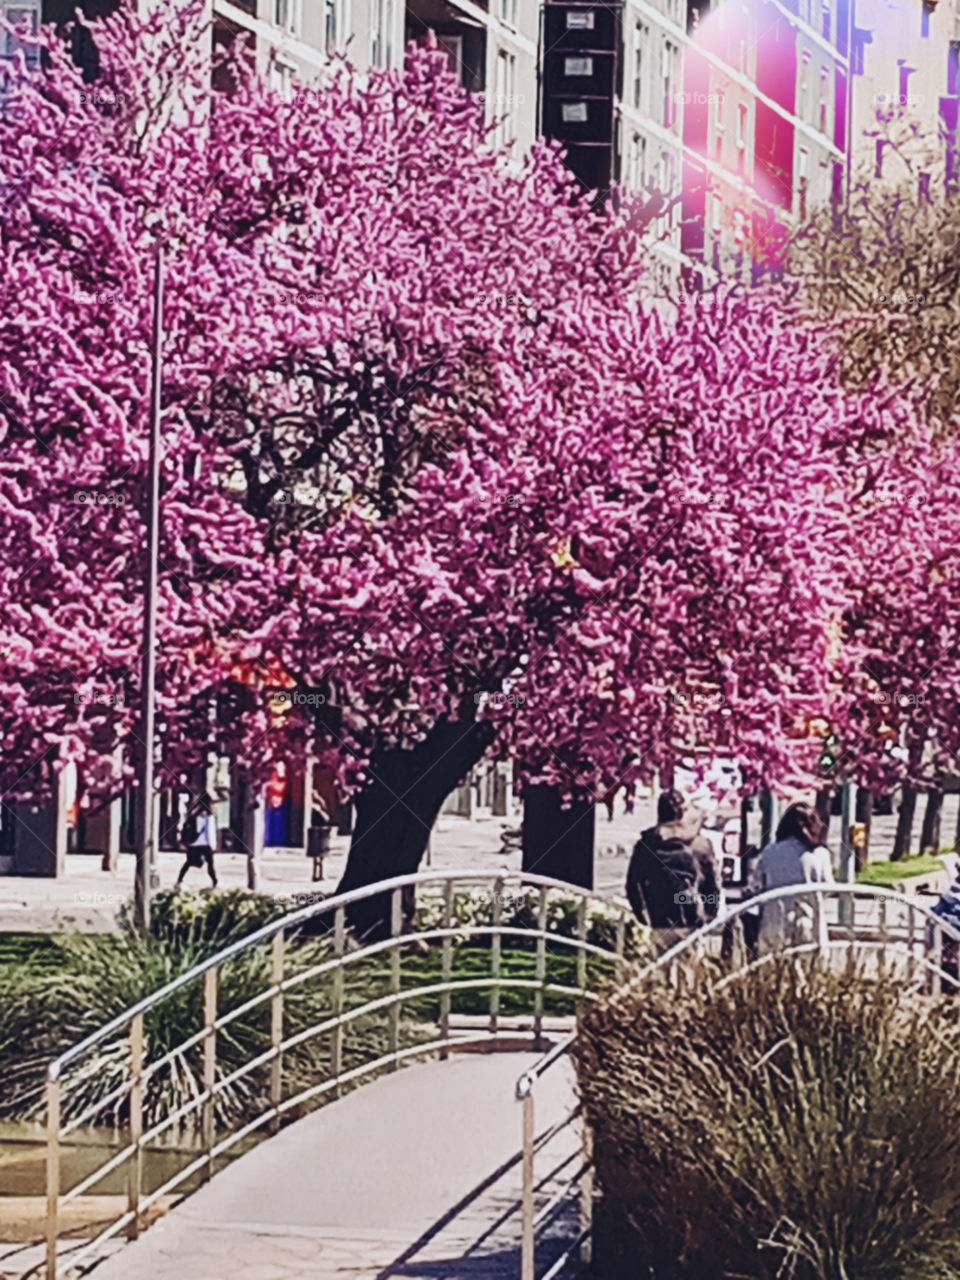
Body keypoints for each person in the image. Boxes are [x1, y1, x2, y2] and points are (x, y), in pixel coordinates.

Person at [626, 789, 722, 935]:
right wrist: (709, 915)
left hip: (658, 921)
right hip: (692, 922)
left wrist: (643, 917)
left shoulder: (646, 844)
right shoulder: (700, 844)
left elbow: (633, 884)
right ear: (682, 812)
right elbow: (712, 885)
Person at [756, 801, 833, 955]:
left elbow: (759, 884)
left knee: (774, 972)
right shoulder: (819, 855)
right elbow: (828, 887)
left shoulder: (769, 852)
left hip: (774, 921)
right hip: (808, 921)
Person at [176, 793, 219, 889]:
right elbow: (209, 832)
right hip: (205, 844)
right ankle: (215, 881)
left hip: (193, 843)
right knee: (210, 864)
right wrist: (213, 845)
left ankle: (179, 880)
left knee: (188, 862)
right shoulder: (208, 816)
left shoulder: (195, 814)